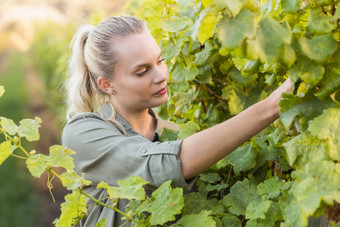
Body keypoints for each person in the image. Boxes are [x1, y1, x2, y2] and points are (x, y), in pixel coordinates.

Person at [61, 15, 293, 226]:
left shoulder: (177, 133)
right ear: (107, 85)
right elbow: (164, 163)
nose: (161, 75)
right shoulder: (83, 134)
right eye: (142, 71)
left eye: (160, 61)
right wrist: (273, 105)